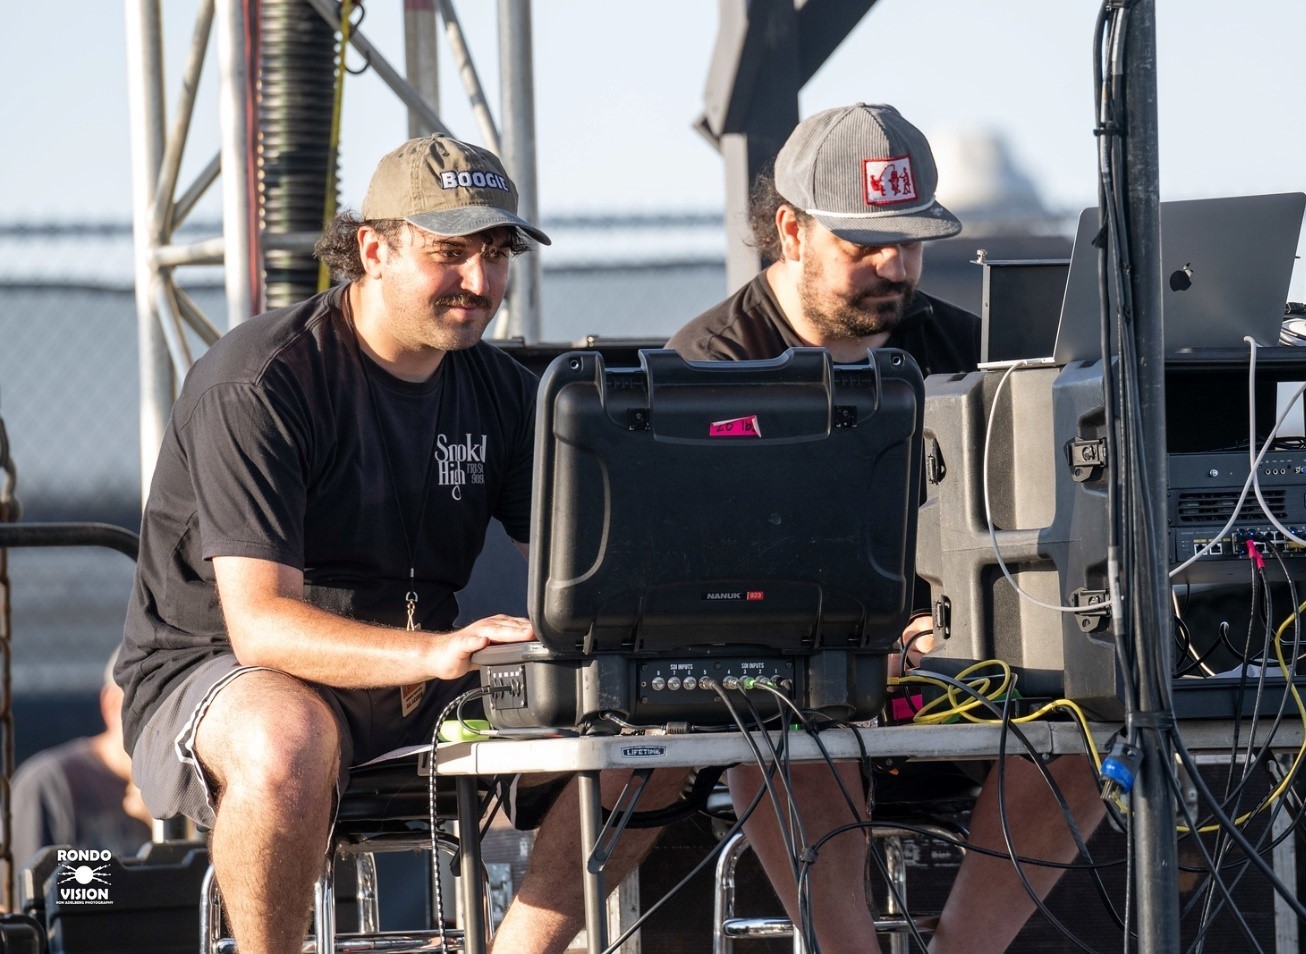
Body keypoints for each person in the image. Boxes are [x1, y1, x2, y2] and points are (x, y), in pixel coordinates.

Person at [114, 134, 685, 954]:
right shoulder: (260, 381)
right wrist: (438, 652)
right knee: (286, 740)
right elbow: (260, 627)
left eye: (497, 253)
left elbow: (586, 577)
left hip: (422, 680)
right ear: (374, 251)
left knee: (656, 739)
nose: (480, 281)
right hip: (225, 673)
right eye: (450, 253)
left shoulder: (504, 393)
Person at [667, 102, 1109, 953]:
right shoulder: (708, 367)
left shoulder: (971, 351)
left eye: (909, 242)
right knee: (788, 733)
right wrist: (874, 644)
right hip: (799, 683)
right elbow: (710, 586)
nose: (893, 266)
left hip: (961, 675)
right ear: (790, 232)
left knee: (1092, 718)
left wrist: (970, 631)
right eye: (864, 244)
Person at [9, 646, 151, 903]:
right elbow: (29, 906)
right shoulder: (49, 784)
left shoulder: (191, 786)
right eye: (152, 704)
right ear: (113, 705)